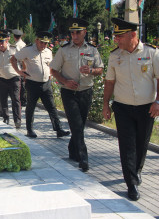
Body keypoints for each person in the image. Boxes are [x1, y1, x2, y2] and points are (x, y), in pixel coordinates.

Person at [102, 18, 159, 201]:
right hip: (123, 108)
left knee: (141, 144)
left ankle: (137, 170)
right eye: (115, 36)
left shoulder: (152, 53)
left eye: (119, 36)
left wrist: (158, 102)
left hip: (146, 109)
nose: (116, 40)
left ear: (132, 35)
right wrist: (105, 104)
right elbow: (109, 82)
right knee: (126, 146)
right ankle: (131, 183)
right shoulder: (115, 55)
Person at [50, 18, 104, 172]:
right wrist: (65, 81)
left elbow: (100, 69)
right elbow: (53, 70)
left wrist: (92, 71)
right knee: (77, 125)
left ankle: (72, 149)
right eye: (72, 33)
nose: (74, 35)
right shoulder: (64, 50)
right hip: (69, 92)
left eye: (78, 32)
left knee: (79, 125)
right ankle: (83, 158)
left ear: (84, 32)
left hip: (86, 91)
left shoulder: (93, 50)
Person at [11, 31, 70, 138]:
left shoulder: (48, 51)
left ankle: (58, 129)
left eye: (46, 43)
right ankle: (30, 130)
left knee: (52, 107)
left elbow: (50, 66)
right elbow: (13, 59)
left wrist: (50, 77)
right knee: (31, 107)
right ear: (36, 40)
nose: (43, 45)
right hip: (33, 83)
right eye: (41, 42)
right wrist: (19, 72)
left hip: (46, 83)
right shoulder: (28, 50)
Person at [0, 31, 21, 128]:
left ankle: (17, 120)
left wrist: (23, 71)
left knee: (15, 100)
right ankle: (5, 118)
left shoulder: (14, 49)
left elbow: (23, 60)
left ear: (6, 41)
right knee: (3, 100)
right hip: (1, 78)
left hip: (14, 78)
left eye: (2, 42)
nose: (0, 45)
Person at [12, 29, 27, 107]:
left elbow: (16, 57)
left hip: (20, 65)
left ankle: (22, 99)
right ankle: (23, 99)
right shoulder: (24, 44)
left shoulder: (16, 45)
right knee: (23, 83)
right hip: (25, 65)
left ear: (14, 37)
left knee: (20, 83)